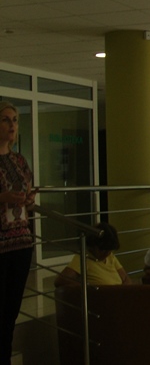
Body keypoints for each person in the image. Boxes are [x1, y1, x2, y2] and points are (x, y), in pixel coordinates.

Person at [0, 101, 37, 365]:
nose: (11, 125)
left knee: (11, 311)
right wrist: (3, 197)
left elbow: (29, 192)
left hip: (21, 242)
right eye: (5, 119)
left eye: (14, 120)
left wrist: (29, 199)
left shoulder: (19, 160)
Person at [55, 222, 133, 287]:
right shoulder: (83, 259)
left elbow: (125, 278)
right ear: (93, 246)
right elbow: (61, 281)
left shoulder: (110, 256)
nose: (107, 254)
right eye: (103, 250)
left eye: (109, 250)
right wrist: (88, 288)